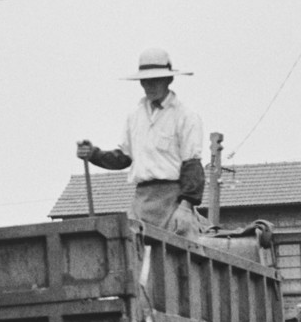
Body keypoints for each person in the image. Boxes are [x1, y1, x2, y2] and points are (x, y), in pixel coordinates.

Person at [76, 47, 206, 237]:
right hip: (141, 202)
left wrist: (186, 208)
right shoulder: (135, 117)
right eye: (145, 81)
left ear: (169, 79)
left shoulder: (185, 116)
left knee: (177, 259)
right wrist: (93, 154)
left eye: (155, 80)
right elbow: (123, 158)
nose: (149, 86)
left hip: (173, 202)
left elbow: (192, 165)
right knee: (131, 256)